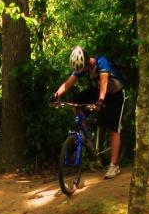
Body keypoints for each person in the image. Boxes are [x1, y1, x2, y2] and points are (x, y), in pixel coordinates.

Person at [51, 46, 127, 179]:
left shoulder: (101, 62)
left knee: (114, 128)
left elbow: (104, 81)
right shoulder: (83, 67)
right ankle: (84, 135)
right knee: (75, 102)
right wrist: (56, 95)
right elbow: (69, 82)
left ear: (88, 62)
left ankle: (114, 166)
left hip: (115, 94)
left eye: (84, 68)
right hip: (100, 93)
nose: (83, 71)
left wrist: (101, 100)